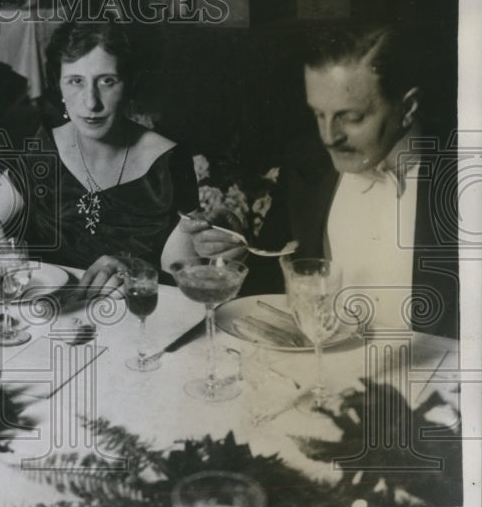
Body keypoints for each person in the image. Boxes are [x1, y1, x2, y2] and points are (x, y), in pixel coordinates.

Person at [183, 23, 459, 338]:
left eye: (351, 118)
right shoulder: (307, 161)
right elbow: (274, 282)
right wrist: (238, 250)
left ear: (408, 107)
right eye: (318, 114)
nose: (329, 137)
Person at [0, 20, 199, 296]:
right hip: (49, 317)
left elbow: (188, 285)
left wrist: (132, 271)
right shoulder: (46, 148)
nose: (91, 102)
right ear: (59, 87)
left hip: (136, 321)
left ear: (129, 84)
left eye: (107, 81)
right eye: (76, 81)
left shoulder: (168, 163)